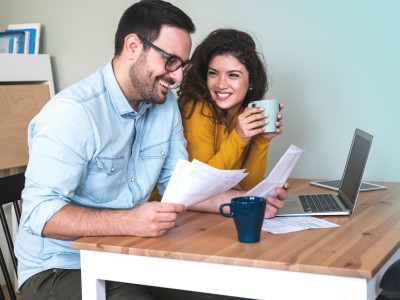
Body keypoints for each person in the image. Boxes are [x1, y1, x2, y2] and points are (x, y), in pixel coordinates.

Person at [15, 1, 288, 299]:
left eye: (181, 64)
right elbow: (39, 214)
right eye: (170, 60)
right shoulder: (73, 114)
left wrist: (248, 200)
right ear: (133, 46)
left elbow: (179, 186)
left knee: (235, 291)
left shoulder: (164, 105)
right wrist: (130, 221)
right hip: (61, 268)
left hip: (131, 254)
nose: (178, 77)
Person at [178, 28, 284, 191]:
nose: (220, 84)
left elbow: (249, 183)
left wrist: (261, 140)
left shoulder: (242, 113)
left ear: (251, 82)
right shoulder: (196, 108)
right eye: (213, 74)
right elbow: (201, 184)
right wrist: (240, 136)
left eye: (233, 75)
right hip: (176, 208)